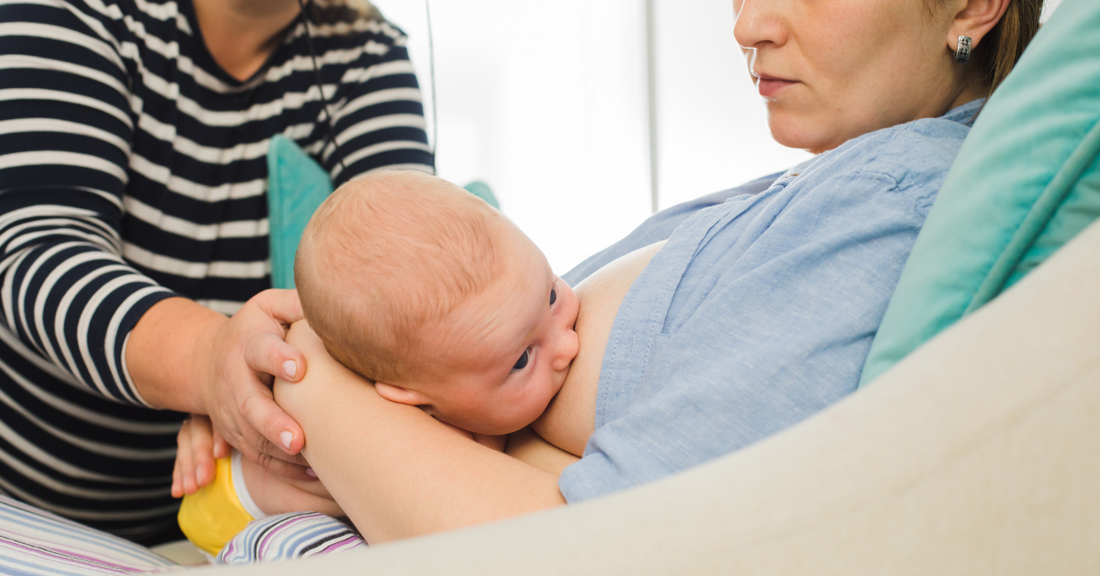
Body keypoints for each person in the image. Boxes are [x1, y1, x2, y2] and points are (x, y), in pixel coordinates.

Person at [241, 0, 1043, 549]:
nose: (747, 22)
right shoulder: (824, 182)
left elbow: (605, 544)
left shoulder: (893, 203)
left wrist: (304, 375)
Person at [0, 0, 433, 544]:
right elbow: (40, 252)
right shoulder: (73, 12)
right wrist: (213, 365)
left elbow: (401, 292)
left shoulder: (368, 55)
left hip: (229, 521)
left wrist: (249, 382)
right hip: (22, 504)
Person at [174, 170, 586, 556]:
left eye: (550, 296)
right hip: (222, 504)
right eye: (520, 361)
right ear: (412, 398)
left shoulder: (458, 358)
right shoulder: (424, 442)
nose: (567, 345)